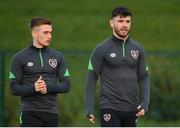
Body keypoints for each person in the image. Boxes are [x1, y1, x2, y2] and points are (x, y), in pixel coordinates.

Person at [86, 6, 150, 127]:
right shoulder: (101, 49)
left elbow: (144, 77)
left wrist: (145, 103)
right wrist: (89, 108)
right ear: (111, 23)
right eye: (120, 21)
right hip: (109, 107)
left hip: (132, 108)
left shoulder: (138, 48)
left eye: (127, 21)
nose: (124, 25)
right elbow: (91, 79)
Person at [9, 17, 71, 127]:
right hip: (29, 113)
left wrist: (48, 87)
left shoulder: (58, 56)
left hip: (51, 113)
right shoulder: (19, 57)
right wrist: (34, 88)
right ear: (34, 34)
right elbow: (13, 88)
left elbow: (66, 85)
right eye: (45, 33)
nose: (50, 36)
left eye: (51, 33)